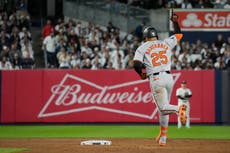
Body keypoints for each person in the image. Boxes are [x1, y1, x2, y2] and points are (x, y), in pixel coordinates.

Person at [133, 11, 187, 146]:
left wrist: (141, 75)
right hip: (169, 77)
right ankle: (163, 138)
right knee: (163, 108)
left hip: (156, 79)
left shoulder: (143, 47)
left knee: (163, 108)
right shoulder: (165, 42)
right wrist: (174, 21)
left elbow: (136, 64)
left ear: (145, 37)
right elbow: (179, 35)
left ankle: (179, 109)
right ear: (155, 36)